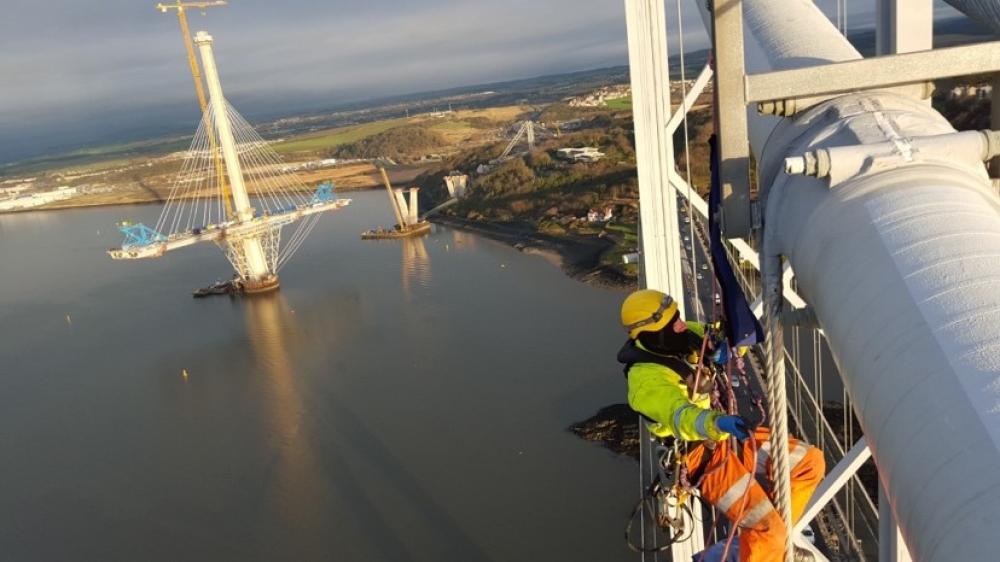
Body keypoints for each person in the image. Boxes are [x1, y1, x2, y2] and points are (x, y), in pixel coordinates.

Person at [619, 289, 825, 562]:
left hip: (726, 437)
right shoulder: (646, 381)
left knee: (809, 463)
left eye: (678, 317)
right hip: (701, 456)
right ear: (650, 334)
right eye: (673, 323)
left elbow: (724, 339)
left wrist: (727, 347)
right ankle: (767, 543)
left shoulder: (682, 337)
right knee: (766, 528)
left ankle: (771, 544)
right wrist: (718, 422)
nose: (681, 324)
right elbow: (681, 417)